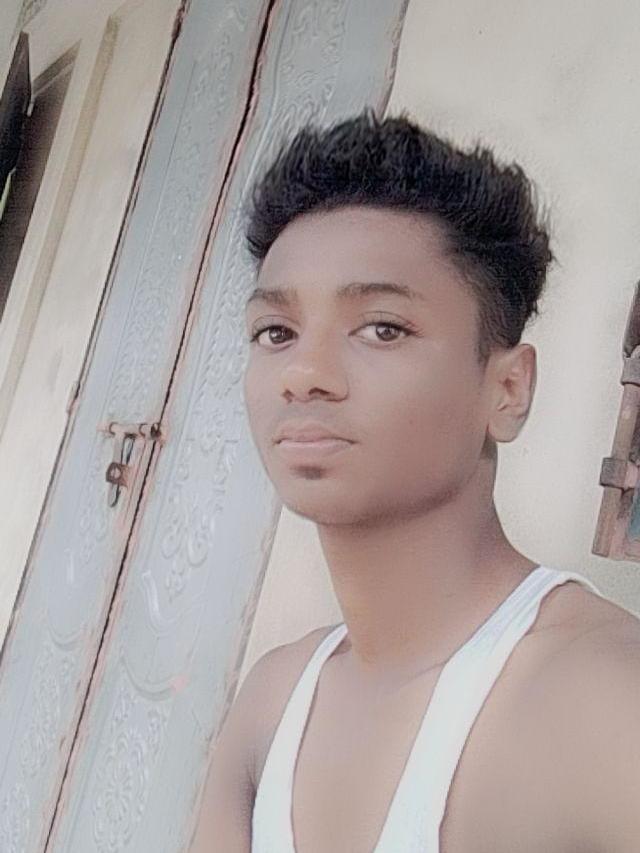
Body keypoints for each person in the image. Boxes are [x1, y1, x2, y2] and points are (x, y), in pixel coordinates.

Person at [189, 108, 640, 852]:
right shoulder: (271, 703)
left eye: (382, 328)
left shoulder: (605, 702)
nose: (303, 373)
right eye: (277, 332)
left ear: (508, 390)